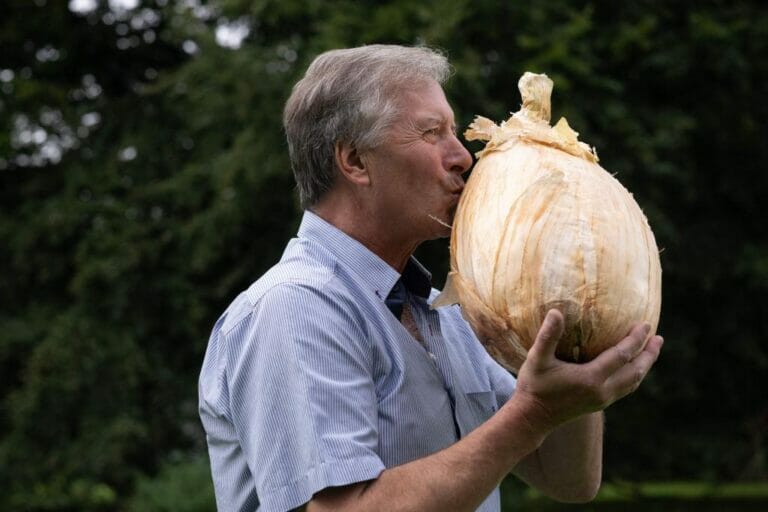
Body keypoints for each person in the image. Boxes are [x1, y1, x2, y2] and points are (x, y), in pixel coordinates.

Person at [198, 44, 664, 512]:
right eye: (432, 132)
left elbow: (566, 479)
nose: (463, 156)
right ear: (355, 161)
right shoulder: (295, 307)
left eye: (454, 133)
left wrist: (575, 357)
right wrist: (533, 413)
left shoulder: (449, 314)